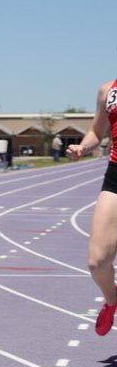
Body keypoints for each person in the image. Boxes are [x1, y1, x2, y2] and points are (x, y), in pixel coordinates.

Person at [67, 82, 117, 334]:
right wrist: (83, 147)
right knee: (97, 262)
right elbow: (96, 131)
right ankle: (112, 299)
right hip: (116, 175)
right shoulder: (108, 90)